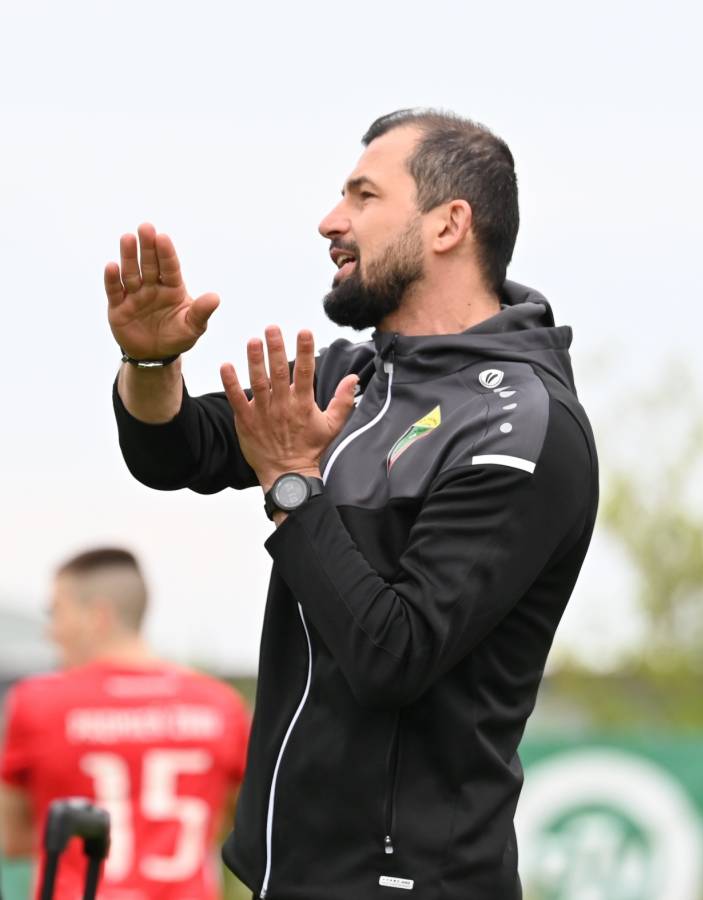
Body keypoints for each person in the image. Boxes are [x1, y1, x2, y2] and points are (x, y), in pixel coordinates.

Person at [105, 109, 599, 900]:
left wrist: (292, 486)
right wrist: (151, 362)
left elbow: (392, 655)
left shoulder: (518, 424)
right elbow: (174, 453)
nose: (330, 221)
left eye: (363, 196)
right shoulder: (354, 377)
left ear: (448, 225)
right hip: (289, 879)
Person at [0, 547, 252, 900]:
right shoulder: (221, 704)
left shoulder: (37, 702)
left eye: (57, 612)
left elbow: (12, 838)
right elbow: (245, 822)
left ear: (97, 616)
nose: (50, 632)